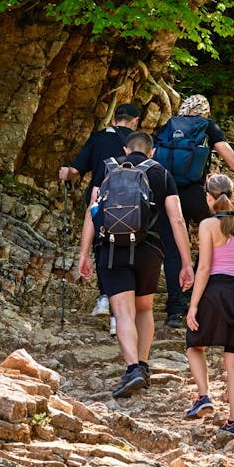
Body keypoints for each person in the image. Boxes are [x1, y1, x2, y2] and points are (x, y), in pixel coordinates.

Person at [78, 132, 194, 397]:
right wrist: (186, 263)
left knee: (122, 312)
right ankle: (142, 364)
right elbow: (176, 220)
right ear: (152, 152)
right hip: (149, 249)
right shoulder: (161, 172)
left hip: (111, 250)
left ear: (125, 149)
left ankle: (132, 369)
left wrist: (84, 253)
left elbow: (92, 211)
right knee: (144, 309)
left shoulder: (107, 167)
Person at [156, 94, 234, 328]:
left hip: (167, 193)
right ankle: (199, 289)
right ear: (205, 112)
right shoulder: (207, 126)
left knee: (173, 250)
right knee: (215, 237)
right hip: (199, 195)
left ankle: (175, 309)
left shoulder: (168, 126)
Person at [185, 173, 234, 435]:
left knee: (194, 344)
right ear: (232, 193)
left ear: (209, 196)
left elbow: (205, 268)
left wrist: (193, 305)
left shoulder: (208, 225)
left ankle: (204, 396)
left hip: (215, 293)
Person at [59, 102, 140, 335]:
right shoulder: (138, 141)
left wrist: (65, 172)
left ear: (114, 118)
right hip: (133, 204)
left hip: (101, 201)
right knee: (127, 253)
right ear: (134, 121)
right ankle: (119, 316)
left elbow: (75, 171)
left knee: (102, 247)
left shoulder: (98, 138)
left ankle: (104, 296)